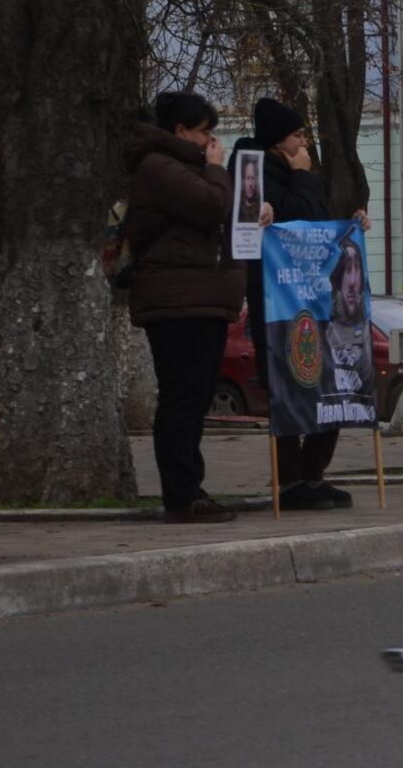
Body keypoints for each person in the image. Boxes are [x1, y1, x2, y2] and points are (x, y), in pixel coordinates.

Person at [125, 91, 263, 523]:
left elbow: (219, 212)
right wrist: (218, 169)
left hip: (201, 296)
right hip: (179, 300)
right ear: (180, 131)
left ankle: (190, 489)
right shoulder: (158, 165)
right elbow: (211, 206)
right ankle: (183, 495)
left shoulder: (184, 168)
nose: (210, 141)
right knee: (182, 398)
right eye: (204, 132)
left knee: (194, 397)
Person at [234, 97, 368, 509]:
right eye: (296, 134)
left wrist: (351, 225)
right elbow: (296, 217)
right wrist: (302, 176)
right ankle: (291, 480)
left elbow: (317, 227)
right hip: (276, 297)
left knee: (332, 378)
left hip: (313, 293)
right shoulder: (254, 172)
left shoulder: (298, 172)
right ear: (278, 140)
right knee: (287, 380)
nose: (304, 141)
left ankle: (313, 474)